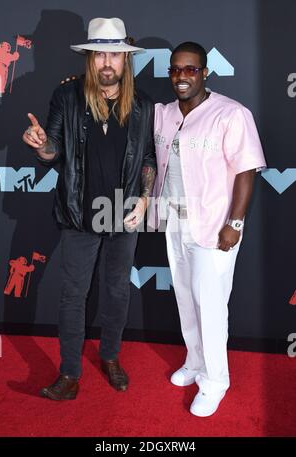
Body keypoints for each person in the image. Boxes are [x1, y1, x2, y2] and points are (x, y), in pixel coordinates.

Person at [22, 17, 156, 400]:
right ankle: (69, 373)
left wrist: (144, 199)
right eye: (100, 53)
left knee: (117, 292)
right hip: (80, 212)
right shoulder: (66, 96)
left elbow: (148, 156)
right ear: (90, 58)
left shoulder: (143, 104)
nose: (107, 62)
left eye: (114, 53)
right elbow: (53, 153)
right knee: (73, 294)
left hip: (123, 210)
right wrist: (40, 145)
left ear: (125, 59)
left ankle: (111, 357)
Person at [149, 41, 266, 416]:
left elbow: (247, 171)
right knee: (185, 297)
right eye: (176, 70)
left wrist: (235, 223)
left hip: (216, 225)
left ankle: (216, 381)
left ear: (204, 72)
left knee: (211, 306)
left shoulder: (231, 114)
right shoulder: (164, 114)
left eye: (191, 69)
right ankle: (195, 362)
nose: (182, 76)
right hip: (176, 220)